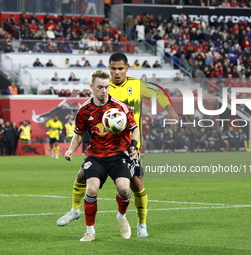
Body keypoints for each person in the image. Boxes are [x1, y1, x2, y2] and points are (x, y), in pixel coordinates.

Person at [57, 53, 179, 237]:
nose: (116, 72)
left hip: (128, 145)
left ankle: (140, 224)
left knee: (135, 184)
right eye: (113, 68)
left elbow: (159, 93)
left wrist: (169, 109)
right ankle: (76, 212)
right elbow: (82, 128)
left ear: (127, 69)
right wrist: (71, 149)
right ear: (108, 69)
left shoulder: (136, 87)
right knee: (83, 176)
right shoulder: (99, 93)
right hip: (99, 149)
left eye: (120, 68)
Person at [64, 70, 139, 241]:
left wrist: (133, 146)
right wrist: (70, 150)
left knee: (125, 189)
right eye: (100, 87)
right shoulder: (84, 110)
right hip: (96, 155)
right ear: (92, 87)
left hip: (118, 154)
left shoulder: (120, 107)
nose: (104, 91)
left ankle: (121, 217)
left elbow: (135, 129)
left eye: (106, 87)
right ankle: (90, 231)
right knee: (91, 189)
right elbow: (79, 134)